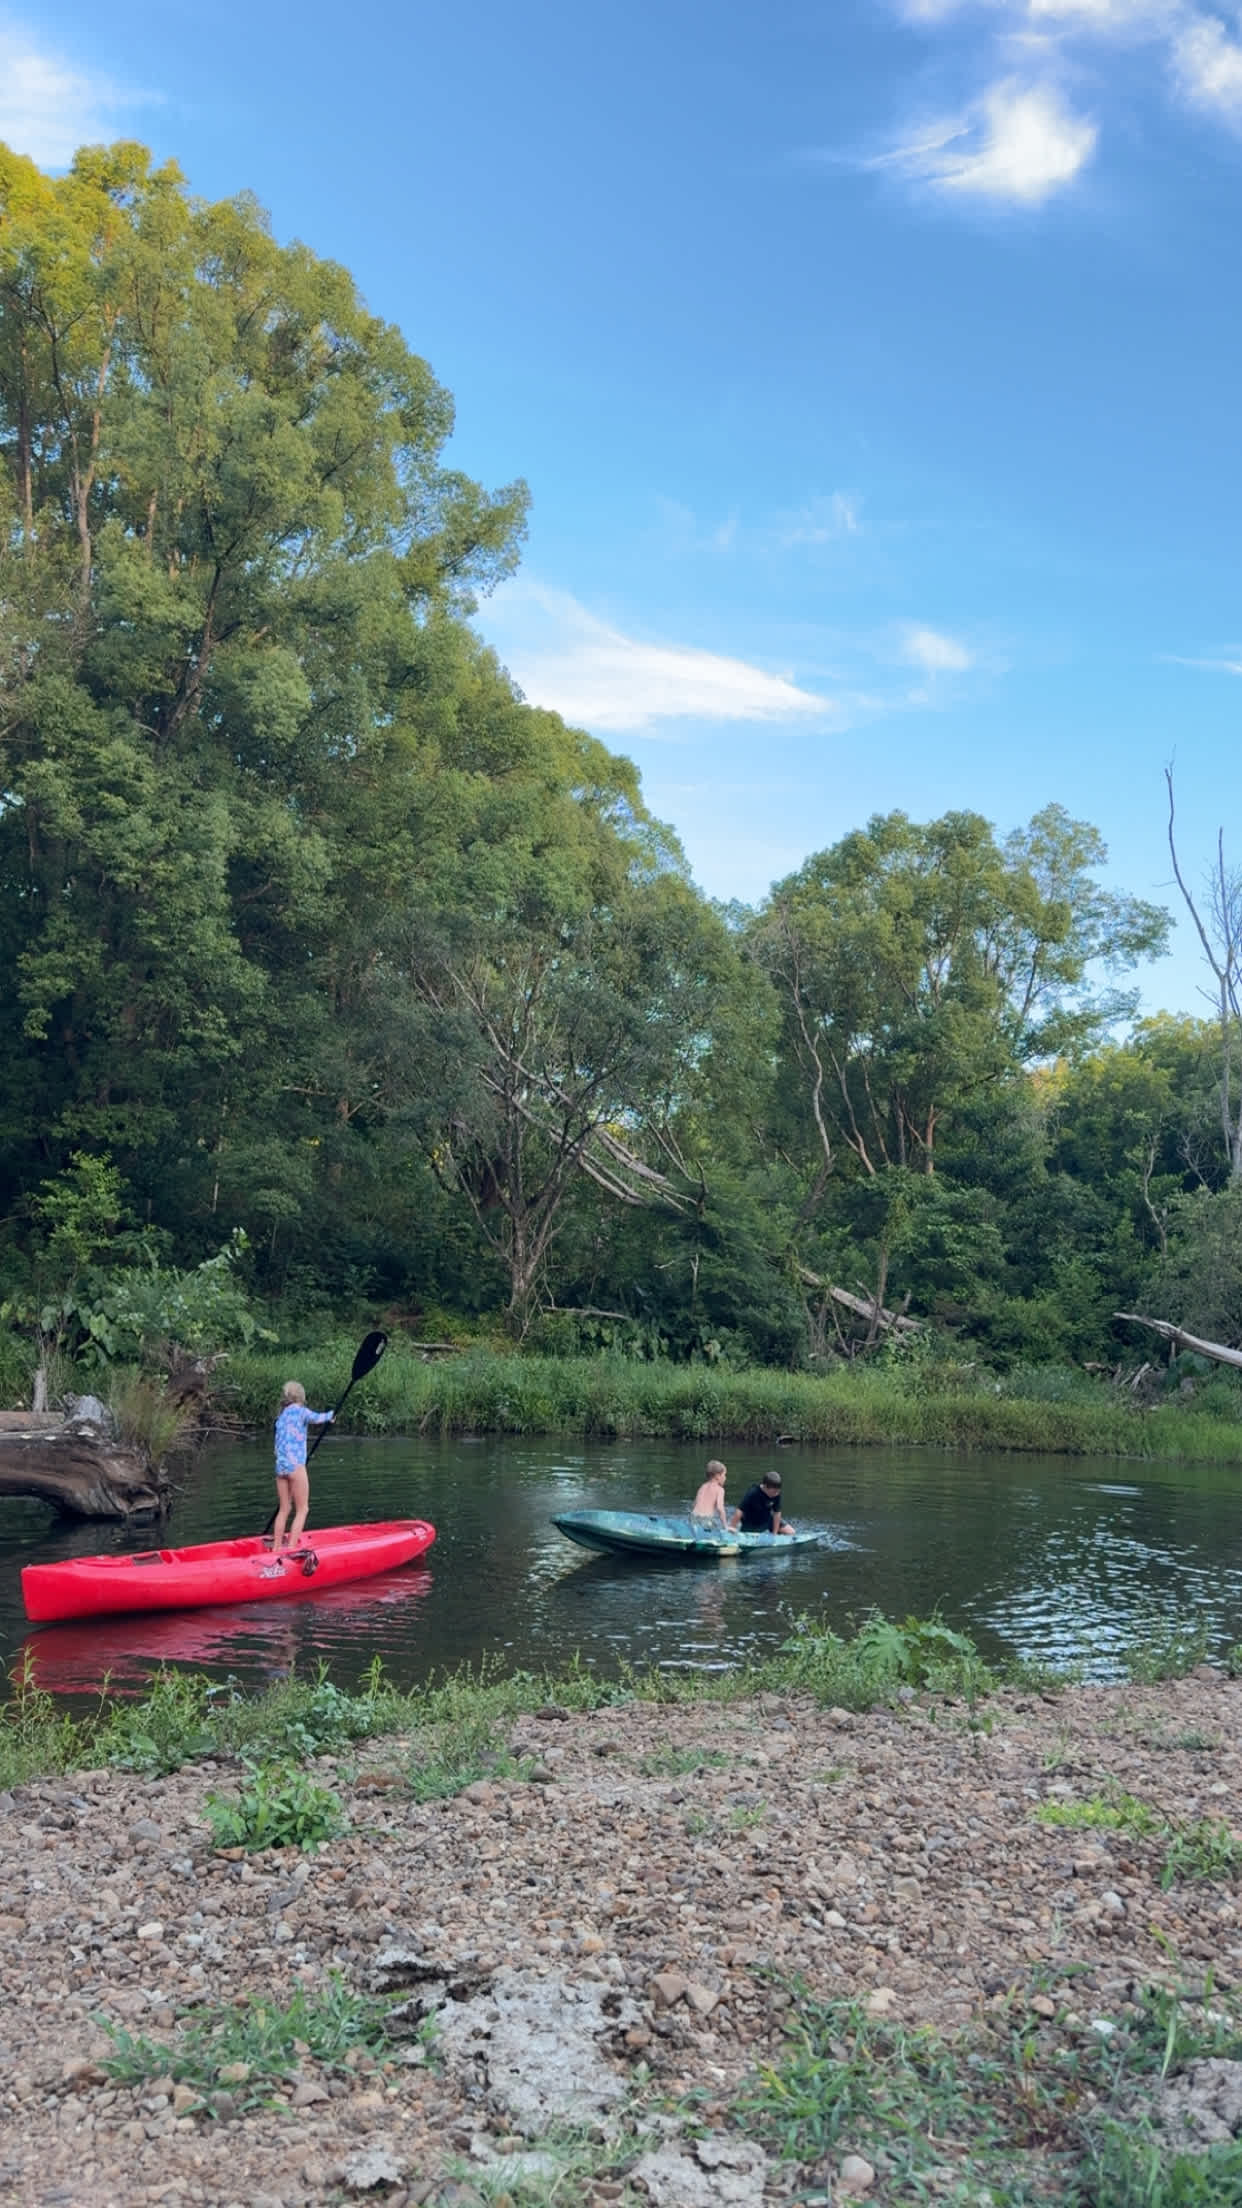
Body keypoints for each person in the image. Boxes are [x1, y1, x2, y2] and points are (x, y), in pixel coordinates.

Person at [271, 1381, 333, 1549]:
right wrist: (332, 1415)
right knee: (303, 1509)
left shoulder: (281, 1417)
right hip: (295, 1465)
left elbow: (276, 1447)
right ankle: (291, 1548)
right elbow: (319, 1418)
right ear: (300, 1397)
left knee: (284, 1509)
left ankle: (276, 1548)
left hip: (280, 1467)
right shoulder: (300, 1411)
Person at [729, 1470, 794, 1536]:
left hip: (767, 1520)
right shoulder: (753, 1493)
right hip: (751, 1523)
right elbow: (740, 1511)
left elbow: (777, 1513)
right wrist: (732, 1528)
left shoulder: (776, 1494)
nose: (776, 1494)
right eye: (774, 1492)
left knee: (790, 1532)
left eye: (778, 1491)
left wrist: (774, 1534)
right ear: (765, 1487)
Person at [690, 1458, 729, 1536]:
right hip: (706, 1520)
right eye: (724, 1475)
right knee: (716, 1534)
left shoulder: (702, 1487)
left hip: (693, 1517)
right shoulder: (720, 1490)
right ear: (718, 1476)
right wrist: (725, 1526)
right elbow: (720, 1508)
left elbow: (694, 1504)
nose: (725, 1478)